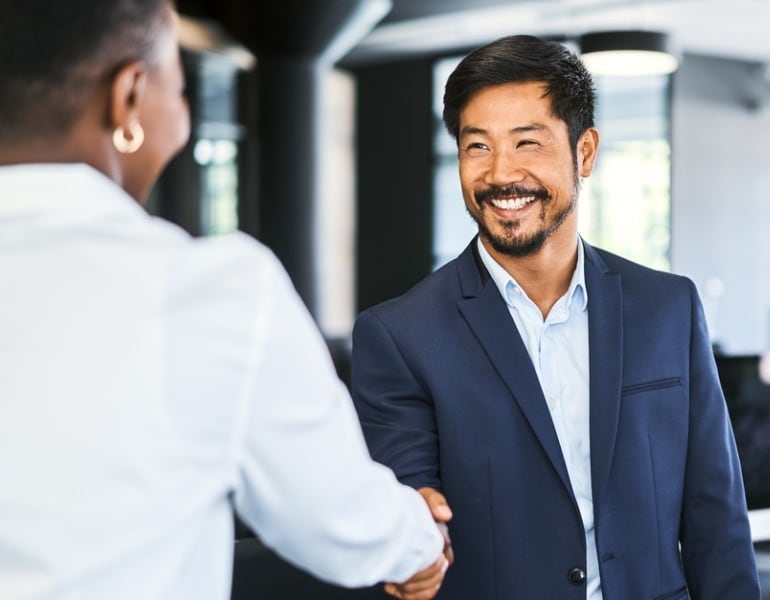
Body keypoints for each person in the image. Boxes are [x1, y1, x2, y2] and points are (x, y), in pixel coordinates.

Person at [0, 1, 450, 598]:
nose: (184, 113)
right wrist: (420, 538)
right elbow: (342, 524)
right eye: (180, 89)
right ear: (128, 97)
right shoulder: (208, 291)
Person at [351, 34, 760, 599]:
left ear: (584, 152)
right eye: (477, 146)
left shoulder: (667, 308)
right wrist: (414, 539)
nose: (500, 174)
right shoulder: (400, 336)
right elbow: (409, 508)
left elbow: (716, 515)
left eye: (527, 142)